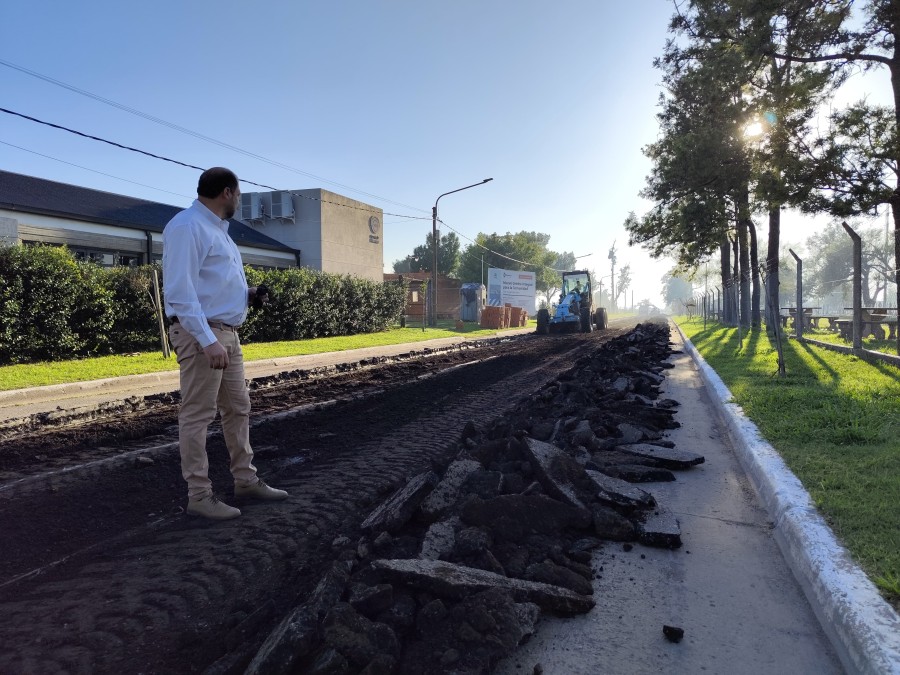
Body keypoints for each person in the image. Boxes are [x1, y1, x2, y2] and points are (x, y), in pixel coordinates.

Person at [163, 167, 288, 520]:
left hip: (226, 333)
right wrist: (206, 341)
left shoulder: (217, 231)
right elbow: (180, 291)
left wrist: (248, 294)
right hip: (204, 334)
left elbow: (210, 285)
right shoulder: (188, 226)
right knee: (198, 415)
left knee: (238, 408)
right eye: (238, 194)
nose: (238, 200)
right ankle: (199, 495)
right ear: (227, 192)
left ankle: (245, 480)